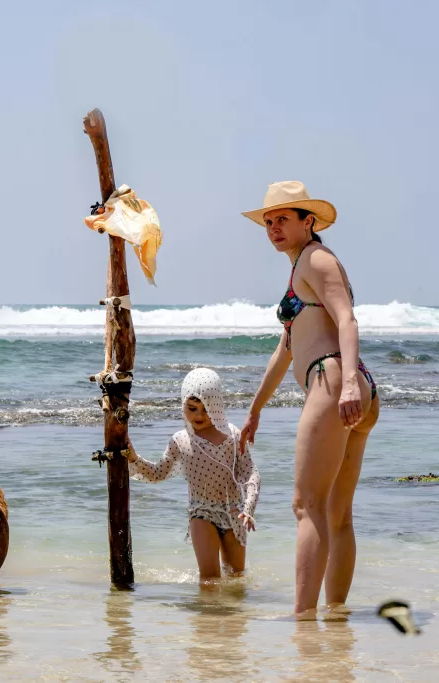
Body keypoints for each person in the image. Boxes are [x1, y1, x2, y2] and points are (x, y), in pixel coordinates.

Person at [239, 181, 380, 616]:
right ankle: (335, 616)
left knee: (306, 505)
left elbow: (347, 320)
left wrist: (350, 384)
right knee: (336, 514)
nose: (274, 227)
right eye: (268, 221)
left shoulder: (317, 259)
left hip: (335, 380)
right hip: (345, 383)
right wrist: (255, 408)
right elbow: (286, 348)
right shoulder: (301, 264)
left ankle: (301, 619)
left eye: (283, 218)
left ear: (308, 221)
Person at [124, 368, 260, 580]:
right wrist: (133, 458)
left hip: (234, 512)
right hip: (201, 511)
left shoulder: (232, 436)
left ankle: (235, 615)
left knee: (237, 577)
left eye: (206, 409)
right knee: (210, 579)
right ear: (183, 405)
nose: (199, 415)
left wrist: (249, 508)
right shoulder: (180, 440)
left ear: (216, 406)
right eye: (192, 408)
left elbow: (251, 474)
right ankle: (206, 614)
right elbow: (158, 473)